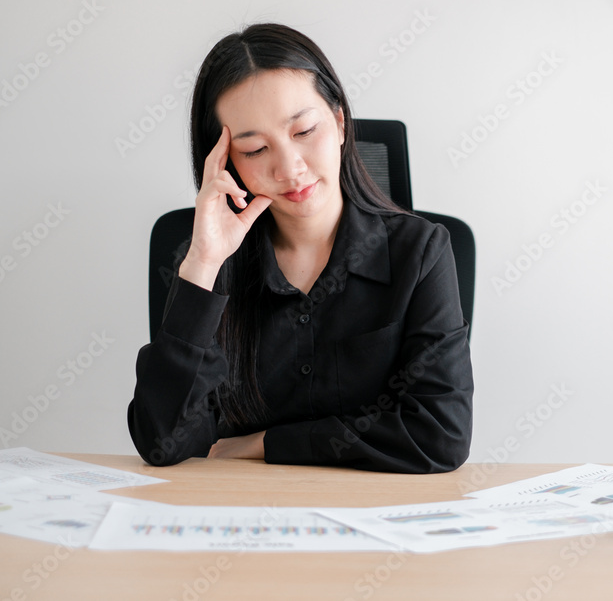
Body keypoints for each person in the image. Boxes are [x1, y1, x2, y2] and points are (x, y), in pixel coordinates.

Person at [128, 24, 473, 473]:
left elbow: (440, 436)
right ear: (225, 163)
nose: (289, 168)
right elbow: (165, 443)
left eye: (305, 131)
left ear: (341, 123)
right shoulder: (209, 265)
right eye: (254, 149)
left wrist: (265, 443)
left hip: (374, 520)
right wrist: (203, 263)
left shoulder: (421, 252)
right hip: (236, 520)